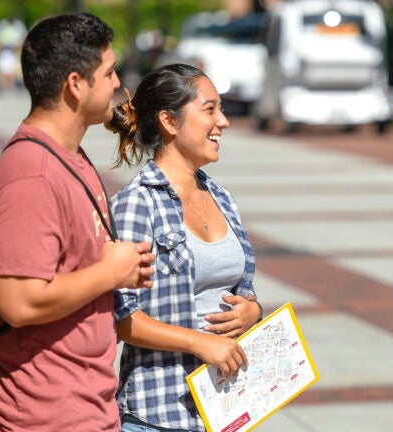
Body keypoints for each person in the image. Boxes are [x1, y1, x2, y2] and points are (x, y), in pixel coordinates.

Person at [0, 13, 155, 431]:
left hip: (82, 406)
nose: (116, 84)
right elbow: (19, 302)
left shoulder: (69, 155)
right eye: (108, 73)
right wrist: (111, 271)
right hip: (38, 415)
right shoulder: (32, 174)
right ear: (75, 84)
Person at [105, 63, 262, 432]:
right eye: (210, 109)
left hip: (227, 409)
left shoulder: (222, 197)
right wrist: (199, 343)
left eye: (220, 109)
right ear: (169, 122)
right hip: (160, 413)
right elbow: (121, 316)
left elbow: (241, 287)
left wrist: (251, 310)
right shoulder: (137, 204)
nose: (223, 121)